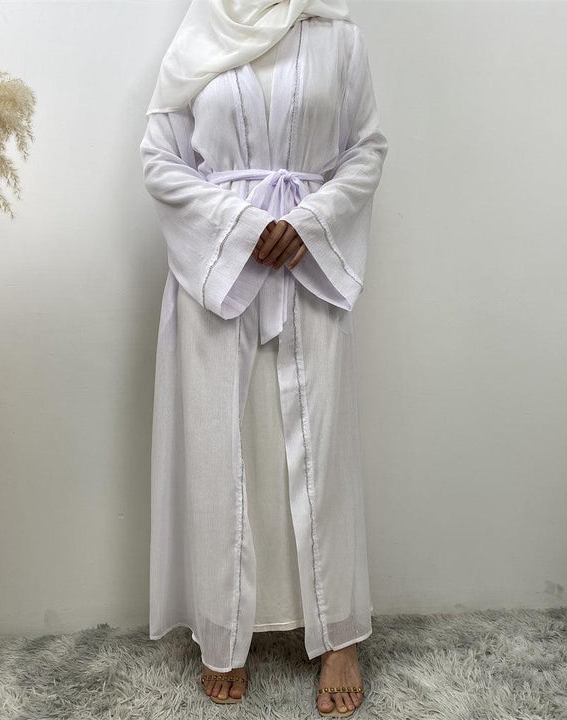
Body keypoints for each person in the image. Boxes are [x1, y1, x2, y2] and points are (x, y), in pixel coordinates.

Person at [139, 0, 388, 716]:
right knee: (219, 442)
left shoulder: (338, 34)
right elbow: (160, 158)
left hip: (309, 258)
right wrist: (239, 224)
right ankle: (224, 628)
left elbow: (366, 148)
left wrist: (311, 220)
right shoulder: (198, 33)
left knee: (322, 439)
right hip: (217, 262)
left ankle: (339, 635)